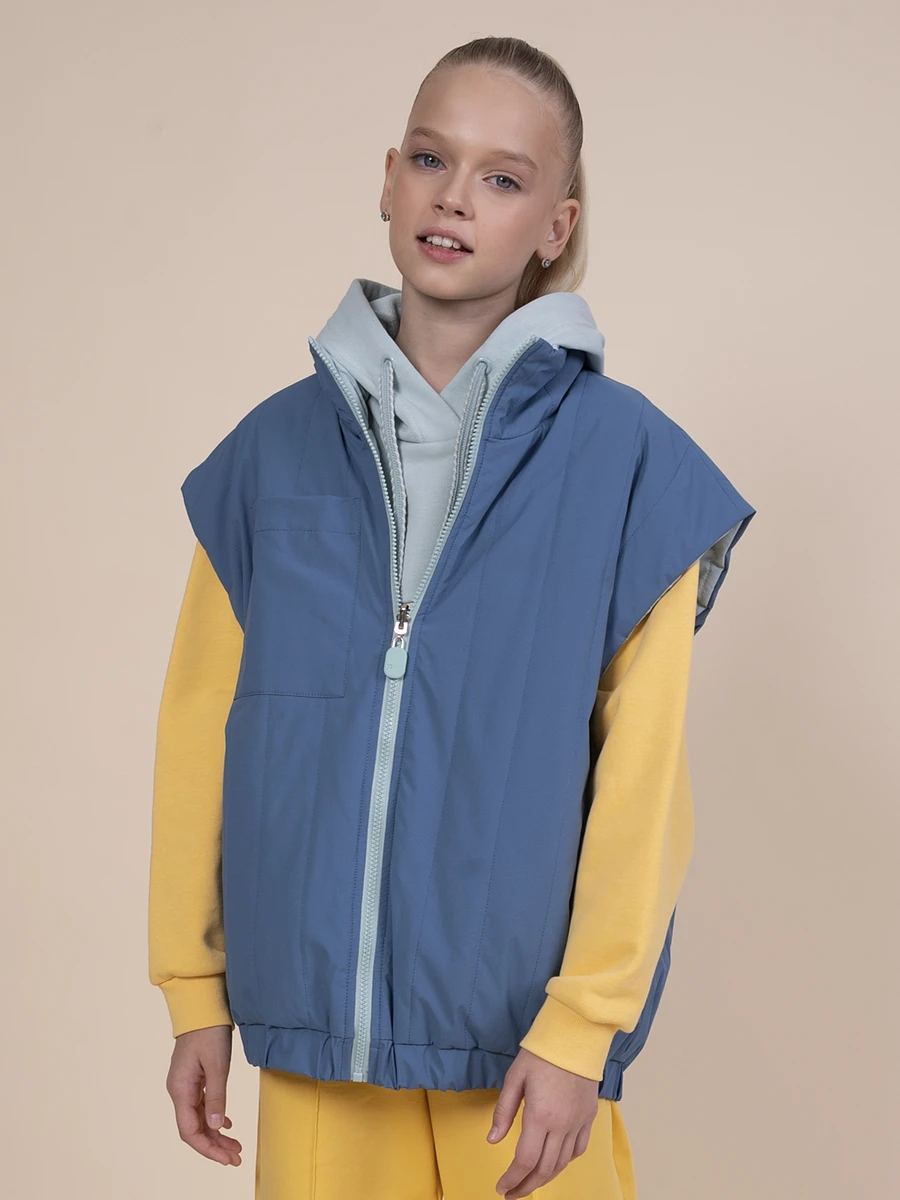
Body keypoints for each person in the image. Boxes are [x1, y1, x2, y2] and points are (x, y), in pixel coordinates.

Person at [148, 35, 755, 1200]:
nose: (455, 197)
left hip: (524, 1063)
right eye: (431, 159)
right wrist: (196, 991)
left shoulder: (631, 465)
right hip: (318, 1053)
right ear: (388, 180)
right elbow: (199, 732)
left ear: (556, 225)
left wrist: (582, 1029)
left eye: (503, 177)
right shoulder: (268, 460)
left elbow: (645, 782)